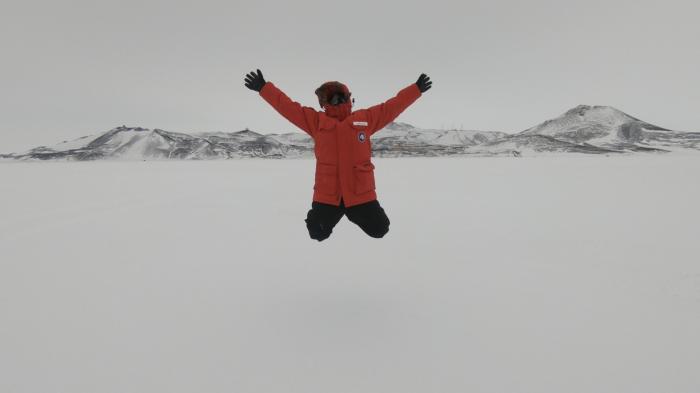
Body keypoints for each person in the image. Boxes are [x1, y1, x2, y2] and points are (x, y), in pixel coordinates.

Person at [244, 69, 432, 241]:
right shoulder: (317, 122)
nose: (337, 101)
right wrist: (264, 88)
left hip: (360, 192)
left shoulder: (364, 119)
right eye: (331, 98)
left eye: (340, 97)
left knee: (380, 229)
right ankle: (338, 212)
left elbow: (391, 107)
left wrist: (415, 90)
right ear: (325, 103)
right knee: (317, 233)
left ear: (347, 98)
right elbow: (288, 108)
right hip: (328, 194)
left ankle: (352, 212)